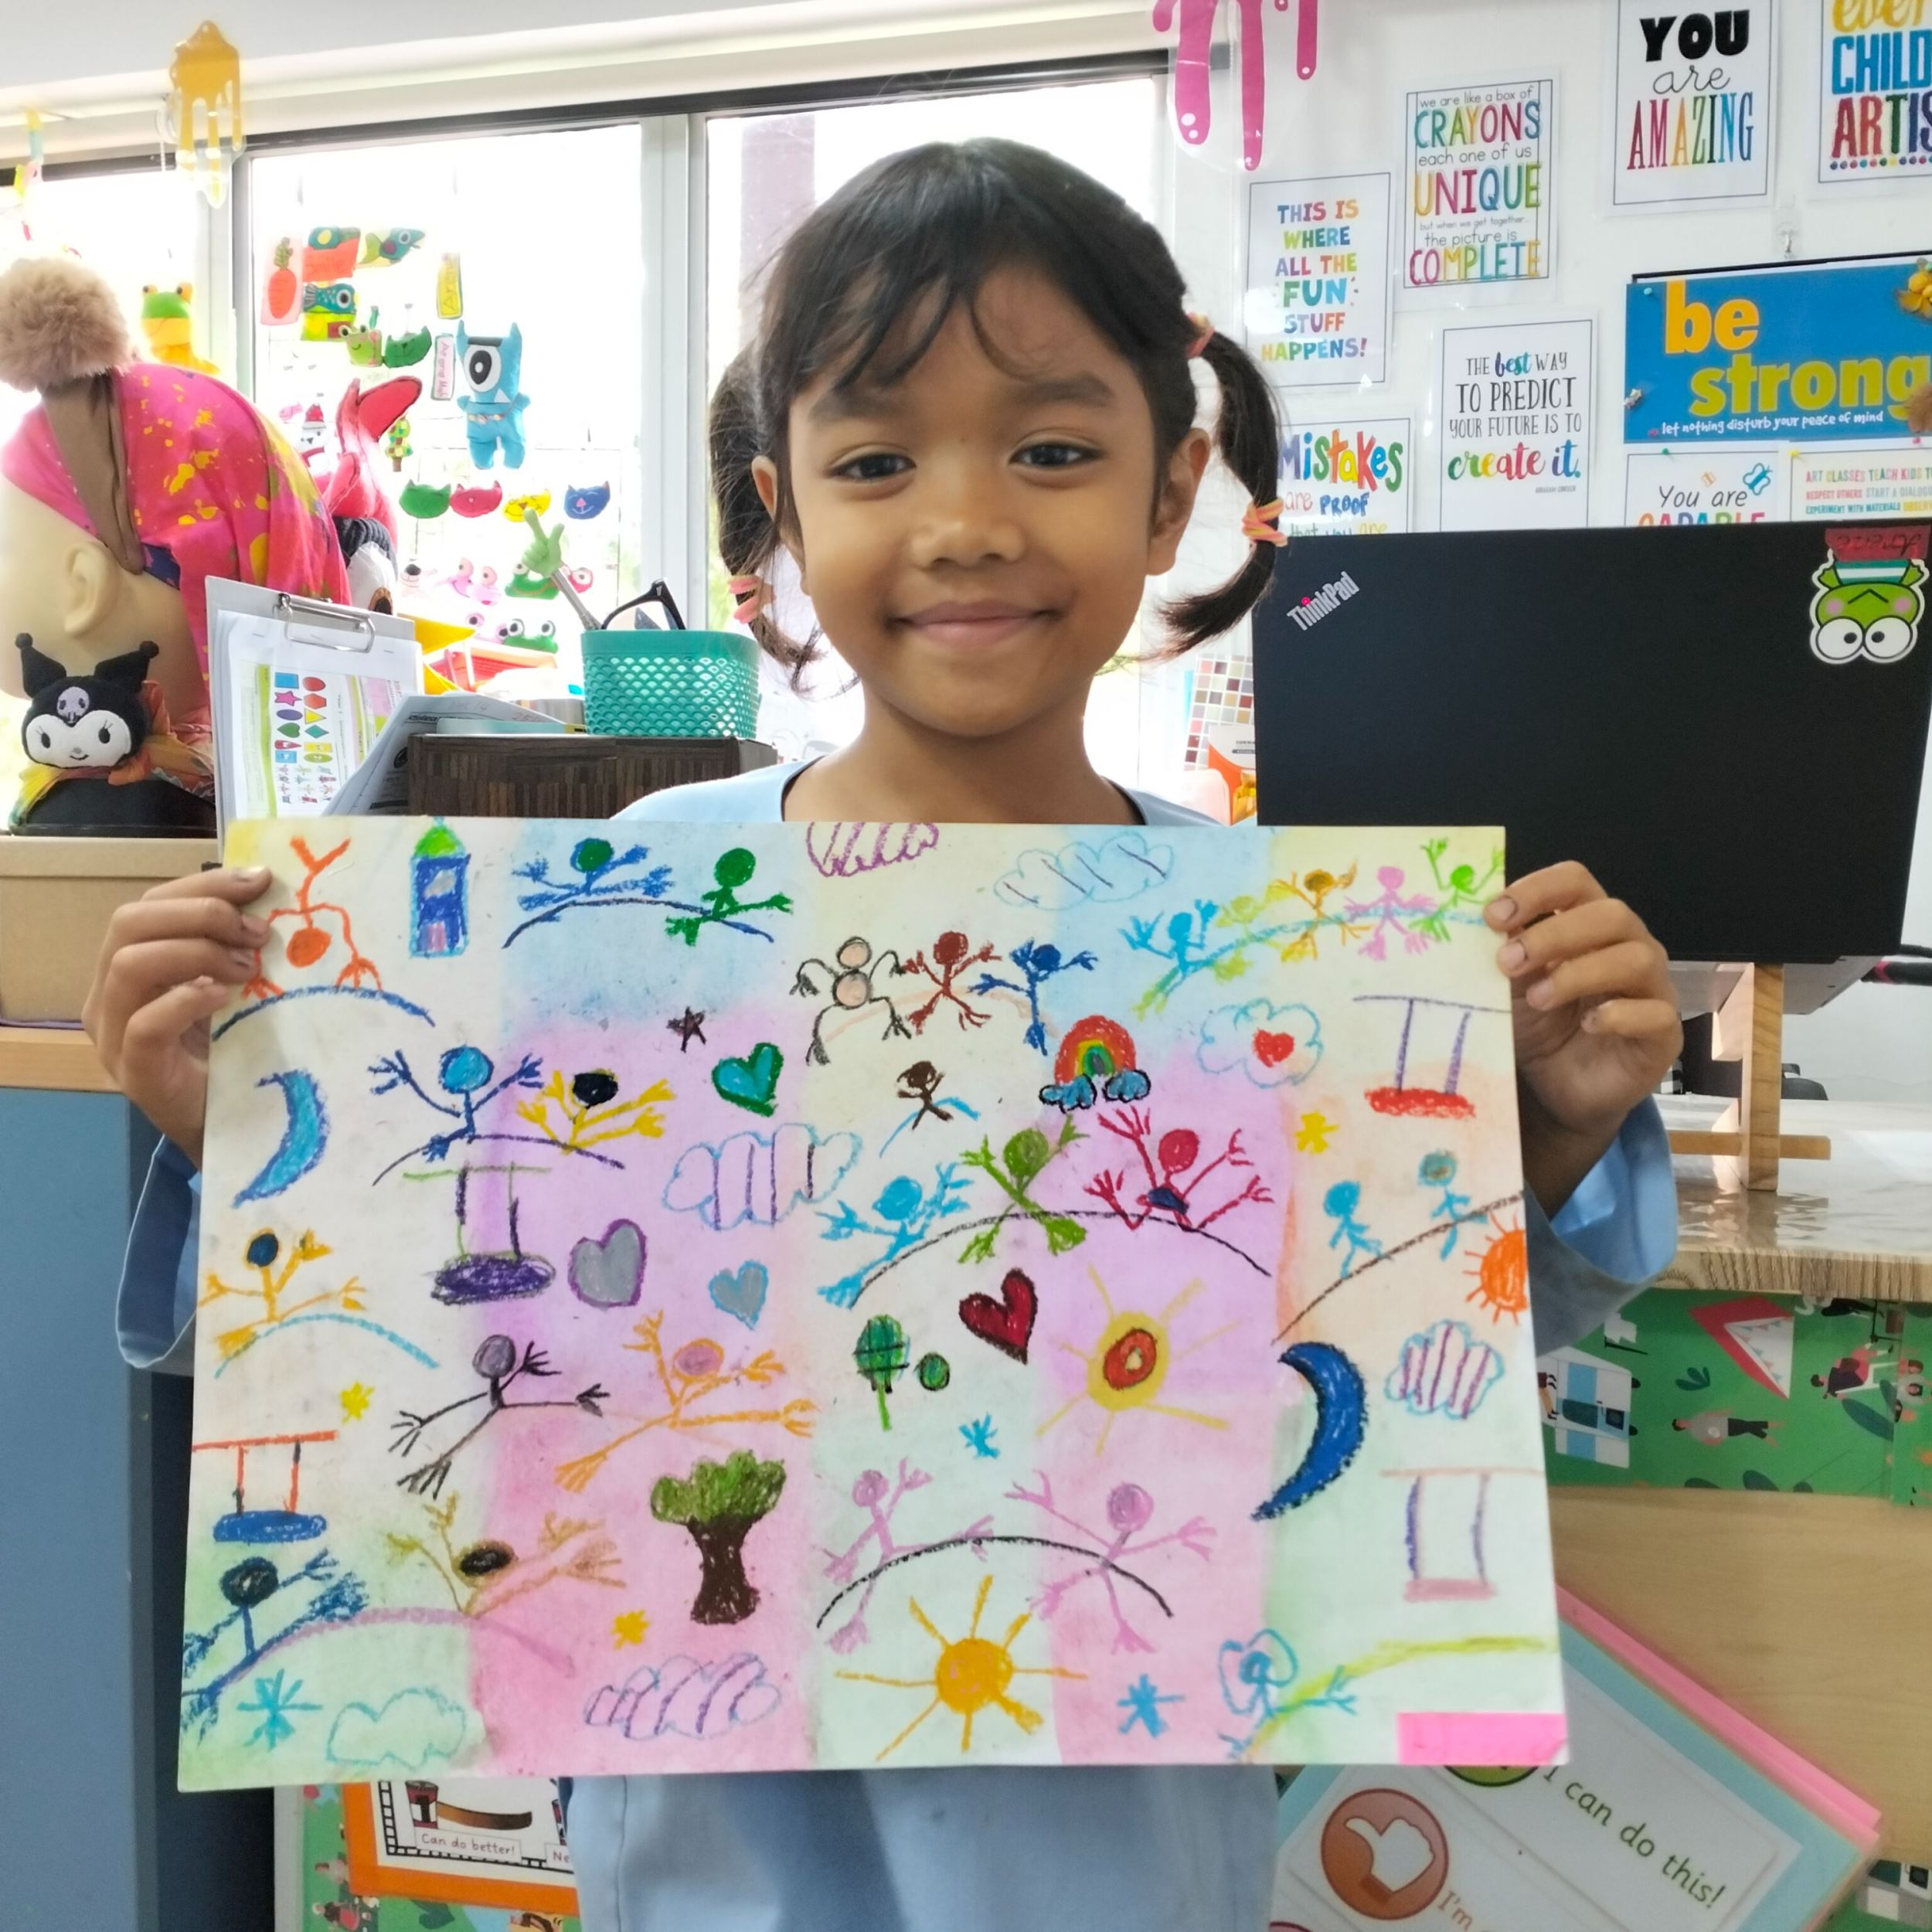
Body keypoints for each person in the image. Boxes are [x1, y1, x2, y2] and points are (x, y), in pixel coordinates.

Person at [89, 140, 1680, 1932]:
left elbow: (1378, 1371)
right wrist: (246, 1128)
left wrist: (1541, 1128)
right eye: (874, 460)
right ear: (780, 510)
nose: (964, 520)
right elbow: (453, 1333)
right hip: (714, 1872)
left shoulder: (1263, 947)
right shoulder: (632, 904)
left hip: (1126, 1868)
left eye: (1051, 449)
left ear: (1172, 490)